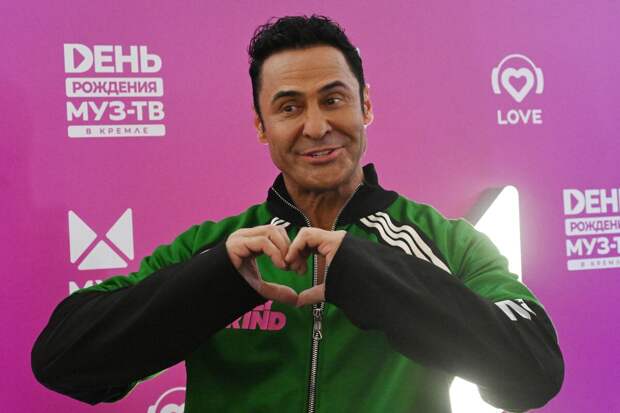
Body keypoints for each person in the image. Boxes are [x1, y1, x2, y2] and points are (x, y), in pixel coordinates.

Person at [31, 15, 564, 412]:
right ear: (261, 126)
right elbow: (64, 360)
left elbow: (533, 371)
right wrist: (217, 282)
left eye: (333, 99)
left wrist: (364, 271)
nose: (315, 126)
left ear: (365, 106)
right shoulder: (212, 248)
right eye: (289, 107)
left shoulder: (447, 241)